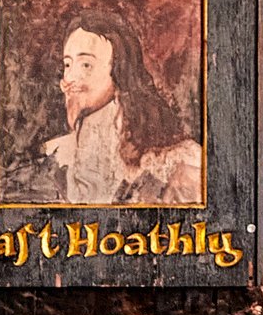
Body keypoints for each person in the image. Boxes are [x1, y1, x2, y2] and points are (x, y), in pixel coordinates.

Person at [36, 11, 203, 205]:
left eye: (86, 65)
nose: (70, 78)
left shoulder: (174, 160)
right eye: (67, 64)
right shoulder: (57, 154)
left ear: (119, 69)